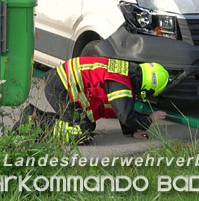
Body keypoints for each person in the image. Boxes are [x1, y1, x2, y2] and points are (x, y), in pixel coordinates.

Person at [21, 57, 169, 144]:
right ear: (147, 88)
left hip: (60, 82)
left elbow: (122, 106)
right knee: (82, 133)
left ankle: (34, 116)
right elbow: (125, 114)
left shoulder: (125, 72)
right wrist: (149, 120)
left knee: (85, 124)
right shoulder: (121, 82)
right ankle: (31, 124)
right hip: (59, 87)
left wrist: (133, 132)